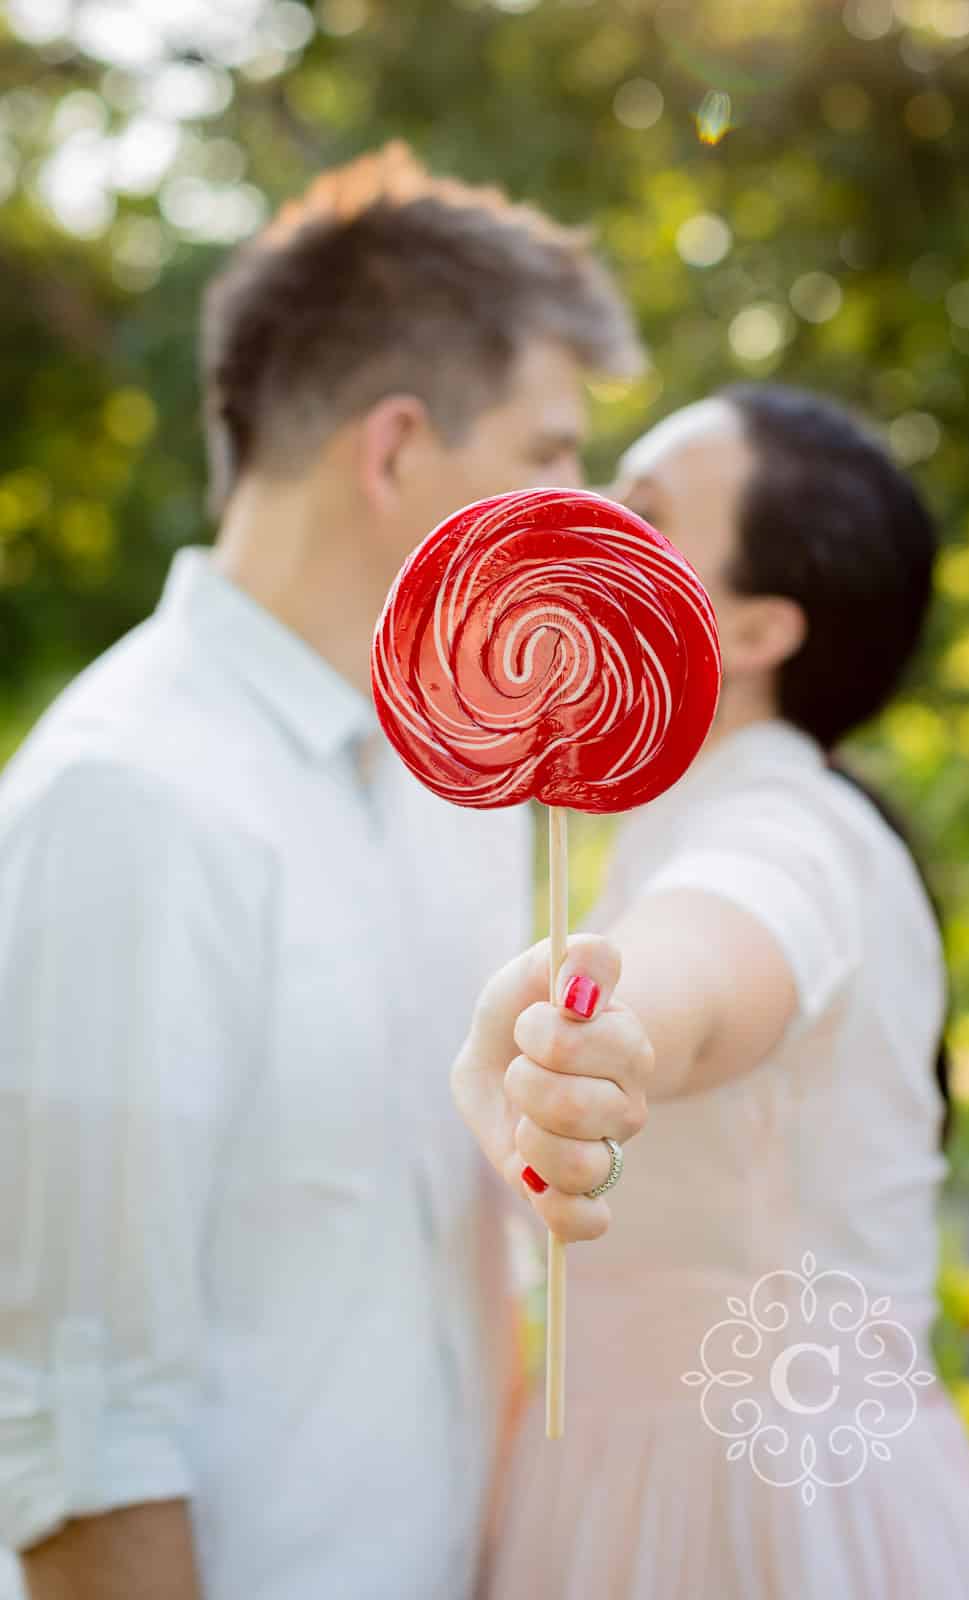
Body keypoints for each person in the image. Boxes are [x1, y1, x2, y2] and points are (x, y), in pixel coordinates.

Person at [0, 143, 655, 1600]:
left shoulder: (468, 792)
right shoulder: (125, 800)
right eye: (547, 453)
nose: (581, 504)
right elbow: (81, 1428)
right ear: (395, 449)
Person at [475, 386, 969, 1599]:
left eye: (645, 511)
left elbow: (712, 953)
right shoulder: (658, 829)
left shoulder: (793, 829)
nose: (588, 520)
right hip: (616, 1482)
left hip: (758, 1510)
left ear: (754, 630)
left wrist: (618, 1030)